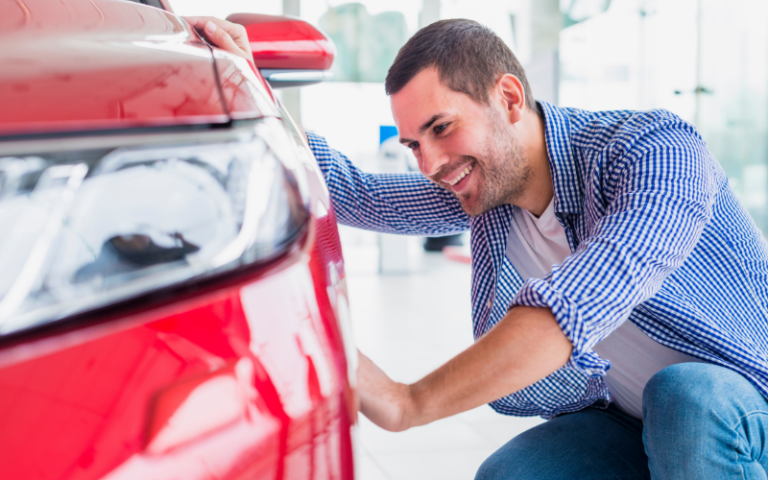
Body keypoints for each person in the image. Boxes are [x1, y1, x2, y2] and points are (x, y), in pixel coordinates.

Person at [194, 15, 768, 479]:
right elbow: (355, 192)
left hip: (743, 404)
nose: (432, 164)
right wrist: (244, 87)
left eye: (442, 128)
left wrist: (409, 401)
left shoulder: (654, 151)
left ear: (510, 98)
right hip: (629, 418)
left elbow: (578, 302)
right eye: (414, 144)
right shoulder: (488, 189)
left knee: (688, 397)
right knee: (512, 474)